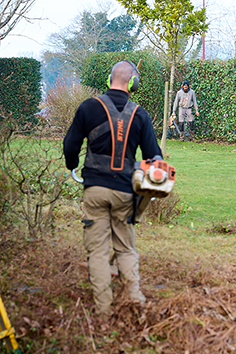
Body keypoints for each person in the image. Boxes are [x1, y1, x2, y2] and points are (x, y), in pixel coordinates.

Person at [63, 60, 163, 317]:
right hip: (124, 193)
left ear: (109, 79)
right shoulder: (140, 114)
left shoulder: (88, 107)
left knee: (97, 251)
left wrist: (72, 164)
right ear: (133, 84)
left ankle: (104, 312)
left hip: (94, 189)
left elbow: (70, 146)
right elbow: (155, 158)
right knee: (126, 248)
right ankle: (135, 301)